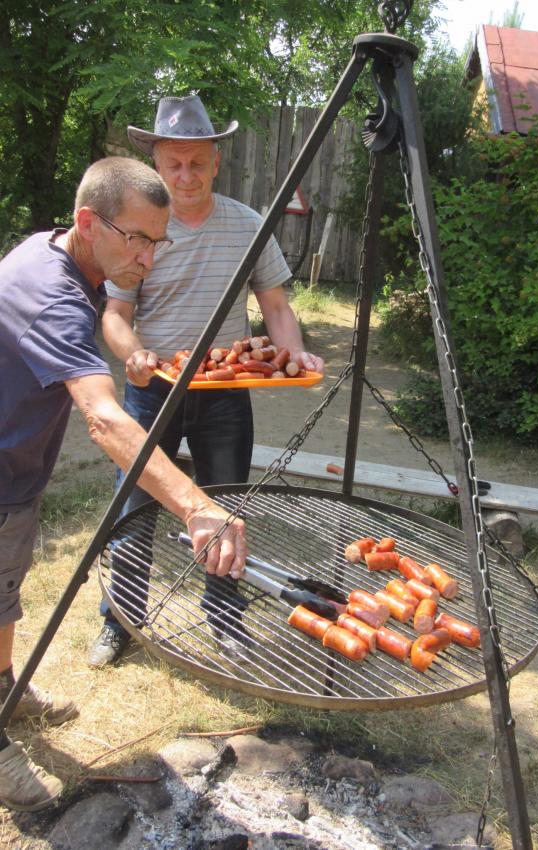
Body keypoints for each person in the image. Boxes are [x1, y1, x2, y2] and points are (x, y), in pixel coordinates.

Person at [0, 156, 246, 812]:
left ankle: (4, 690)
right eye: (138, 239)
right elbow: (104, 420)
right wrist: (196, 505)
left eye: (158, 242)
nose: (150, 258)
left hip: (14, 472)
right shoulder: (51, 292)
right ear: (89, 222)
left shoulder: (61, 253)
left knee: (5, 591)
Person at [88, 95, 324, 667]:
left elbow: (276, 306)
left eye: (197, 162)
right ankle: (121, 620)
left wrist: (293, 354)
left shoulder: (249, 225)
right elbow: (115, 315)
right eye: (174, 164)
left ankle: (224, 618)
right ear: (157, 165)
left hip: (224, 394)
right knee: (134, 508)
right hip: (153, 392)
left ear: (216, 161)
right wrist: (134, 354)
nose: (186, 175)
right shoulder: (140, 229)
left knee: (224, 506)